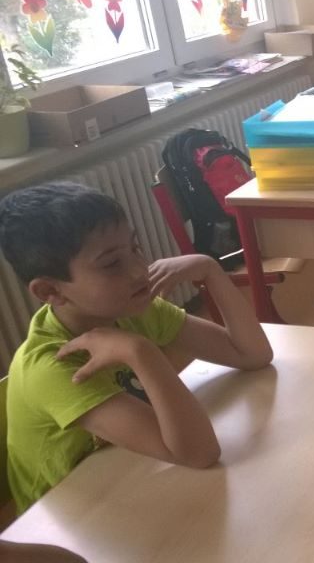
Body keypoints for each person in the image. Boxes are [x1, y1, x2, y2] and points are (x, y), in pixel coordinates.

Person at [0, 182, 273, 514]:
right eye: (111, 264)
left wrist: (210, 270)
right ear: (50, 292)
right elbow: (199, 453)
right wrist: (141, 352)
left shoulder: (130, 309)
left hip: (133, 475)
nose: (139, 270)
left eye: (135, 247)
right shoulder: (54, 367)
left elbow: (252, 354)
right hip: (75, 519)